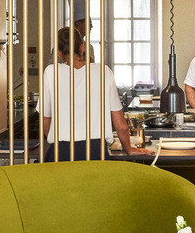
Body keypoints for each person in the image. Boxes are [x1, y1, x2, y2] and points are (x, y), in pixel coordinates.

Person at [39, 26, 149, 161]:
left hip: (61, 152)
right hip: (95, 150)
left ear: (58, 52)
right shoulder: (104, 71)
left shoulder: (51, 72)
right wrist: (129, 149)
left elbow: (46, 122)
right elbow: (121, 126)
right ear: (83, 47)